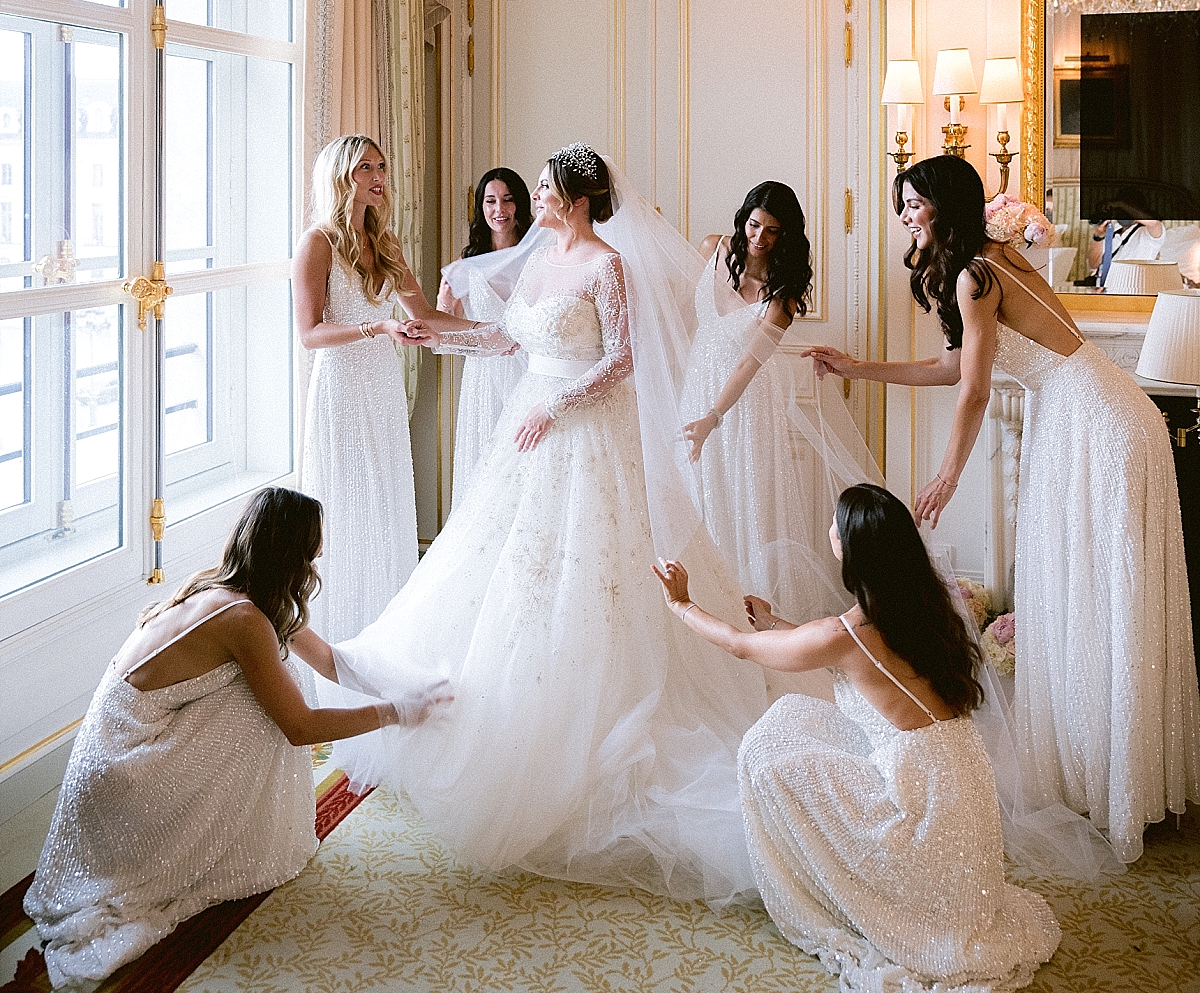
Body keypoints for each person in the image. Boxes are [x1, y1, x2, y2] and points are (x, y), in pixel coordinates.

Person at [331, 145, 768, 906]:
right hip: (527, 422)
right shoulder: (535, 264)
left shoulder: (606, 266)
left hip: (582, 428)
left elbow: (624, 359)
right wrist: (438, 336)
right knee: (500, 559)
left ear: (574, 196)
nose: (533, 197)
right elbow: (506, 339)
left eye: (542, 188)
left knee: (585, 567)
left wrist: (556, 406)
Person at [803, 153, 1200, 863]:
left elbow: (977, 389)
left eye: (913, 205)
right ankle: (1117, 780)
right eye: (902, 207)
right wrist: (858, 367)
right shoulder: (993, 259)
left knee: (1095, 593)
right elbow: (957, 366)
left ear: (944, 206)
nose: (904, 219)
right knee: (1105, 593)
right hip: (1108, 407)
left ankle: (1113, 786)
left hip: (1092, 421)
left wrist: (948, 473)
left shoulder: (973, 273)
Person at [654, 483, 1062, 993]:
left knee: (768, 745)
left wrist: (682, 606)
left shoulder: (852, 633)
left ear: (854, 550)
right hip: (956, 785)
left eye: (836, 525)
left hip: (919, 810)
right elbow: (839, 653)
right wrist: (775, 622)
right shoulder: (918, 609)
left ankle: (826, 887)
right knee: (800, 720)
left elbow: (743, 648)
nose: (829, 531)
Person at [24, 488, 450, 987]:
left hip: (118, 751)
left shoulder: (242, 592)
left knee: (267, 690)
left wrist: (410, 687)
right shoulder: (244, 619)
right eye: (313, 546)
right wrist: (395, 713)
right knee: (265, 710)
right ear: (292, 554)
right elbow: (300, 729)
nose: (319, 556)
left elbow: (331, 662)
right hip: (124, 767)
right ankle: (204, 847)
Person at [681, 182, 843, 622]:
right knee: (696, 498)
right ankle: (693, 610)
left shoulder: (783, 292)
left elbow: (748, 364)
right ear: (743, 218)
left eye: (772, 231)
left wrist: (712, 418)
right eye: (754, 224)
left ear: (785, 235)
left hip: (742, 405)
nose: (758, 237)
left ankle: (744, 620)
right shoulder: (712, 248)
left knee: (740, 501)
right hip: (696, 388)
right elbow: (676, 311)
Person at [294, 134, 429, 652]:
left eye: (381, 166)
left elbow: (427, 317)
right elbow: (309, 334)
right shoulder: (317, 243)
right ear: (340, 176)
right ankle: (340, 641)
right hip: (342, 389)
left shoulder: (387, 243)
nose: (378, 177)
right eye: (365, 168)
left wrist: (495, 333)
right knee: (347, 506)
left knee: (386, 498)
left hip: (382, 387)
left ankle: (386, 636)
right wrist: (378, 330)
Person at [437, 167, 538, 497]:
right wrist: (445, 304)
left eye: (508, 200)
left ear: (520, 204)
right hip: (484, 377)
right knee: (486, 465)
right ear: (480, 207)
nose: (500, 210)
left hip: (530, 371)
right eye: (490, 201)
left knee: (528, 462)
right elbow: (442, 331)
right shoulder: (465, 267)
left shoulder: (539, 257)